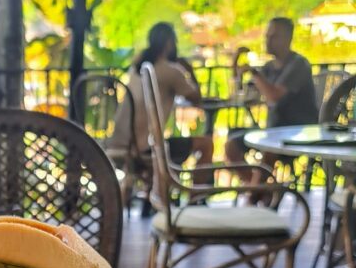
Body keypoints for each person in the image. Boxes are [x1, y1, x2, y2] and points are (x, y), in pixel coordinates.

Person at [112, 22, 214, 199]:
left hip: (120, 144)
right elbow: (196, 99)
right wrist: (189, 70)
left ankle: (156, 193)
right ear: (169, 43)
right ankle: (195, 200)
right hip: (146, 149)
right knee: (206, 144)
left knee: (167, 144)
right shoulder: (170, 70)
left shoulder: (137, 67)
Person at [225, 17, 318, 181]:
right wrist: (236, 64)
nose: (267, 40)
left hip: (298, 131)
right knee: (231, 145)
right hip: (273, 130)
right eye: (267, 36)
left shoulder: (299, 64)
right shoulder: (269, 67)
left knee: (269, 149)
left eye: (274, 36)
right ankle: (257, 189)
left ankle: (256, 191)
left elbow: (274, 96)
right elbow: (243, 94)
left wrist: (253, 73)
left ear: (288, 38)